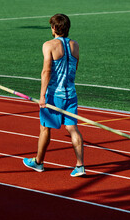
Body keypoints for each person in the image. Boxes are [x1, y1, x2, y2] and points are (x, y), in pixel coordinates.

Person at [23, 14, 85, 177]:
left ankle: (38, 162)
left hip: (53, 95)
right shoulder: (75, 45)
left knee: (45, 128)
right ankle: (80, 165)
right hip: (71, 94)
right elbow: (75, 68)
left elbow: (46, 71)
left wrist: (42, 95)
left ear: (55, 28)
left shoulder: (49, 45)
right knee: (72, 128)